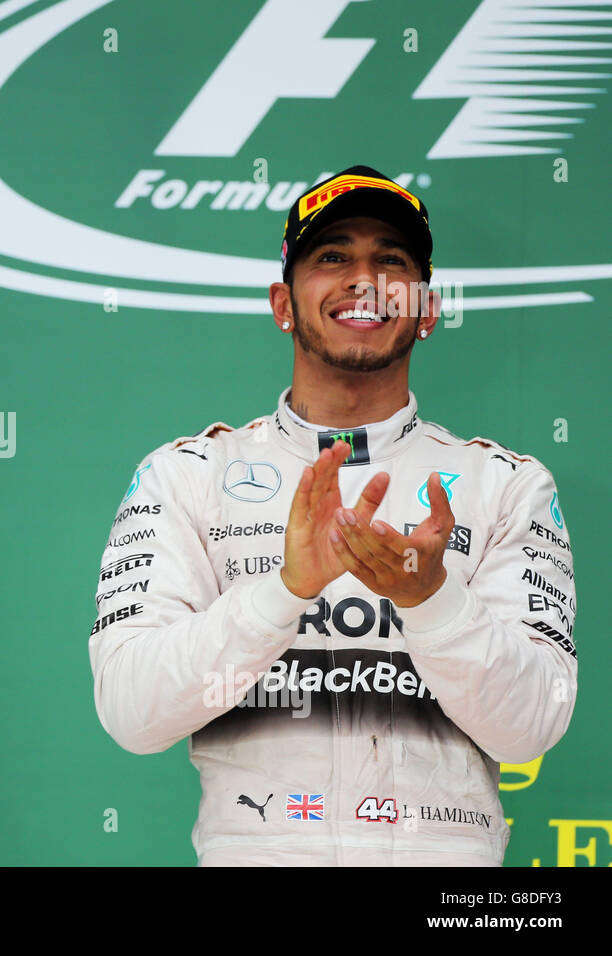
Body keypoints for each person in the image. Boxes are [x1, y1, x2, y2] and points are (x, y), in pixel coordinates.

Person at [89, 167, 577, 866]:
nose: (364, 278)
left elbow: (531, 726)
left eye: (392, 260)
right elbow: (132, 713)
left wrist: (431, 601)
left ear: (428, 308)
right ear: (283, 303)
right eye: (332, 256)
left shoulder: (506, 486)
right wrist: (280, 593)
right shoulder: (186, 476)